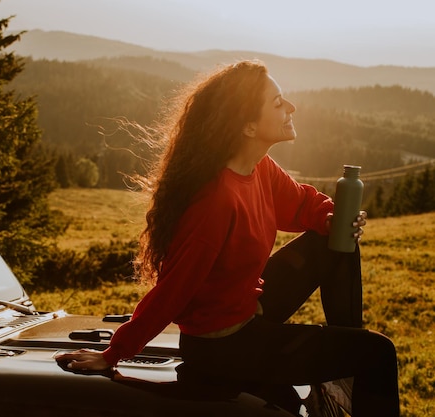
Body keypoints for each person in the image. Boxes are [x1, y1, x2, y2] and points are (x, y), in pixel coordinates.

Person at [55, 60, 399, 417]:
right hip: (224, 347)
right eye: (278, 104)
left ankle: (342, 371)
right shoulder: (216, 201)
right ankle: (348, 366)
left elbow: (301, 203)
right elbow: (173, 290)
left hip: (248, 305)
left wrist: (332, 218)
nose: (291, 108)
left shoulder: (258, 167)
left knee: (334, 238)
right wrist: (113, 353)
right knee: (379, 354)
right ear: (248, 126)